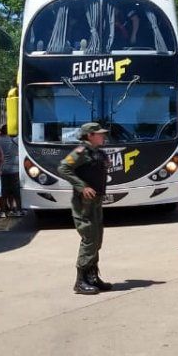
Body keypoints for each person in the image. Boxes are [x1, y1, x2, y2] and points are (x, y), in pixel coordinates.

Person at [57, 122, 113, 295]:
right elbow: (63, 168)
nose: (103, 136)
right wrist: (82, 186)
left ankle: (92, 276)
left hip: (96, 201)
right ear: (89, 135)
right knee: (89, 237)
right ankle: (80, 281)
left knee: (96, 237)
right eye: (99, 134)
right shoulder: (80, 152)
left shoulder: (98, 152)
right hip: (84, 203)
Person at [0, 125, 24, 217]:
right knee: (16, 192)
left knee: (3, 192)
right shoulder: (14, 140)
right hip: (14, 169)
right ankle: (18, 210)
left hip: (2, 170)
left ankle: (3, 211)